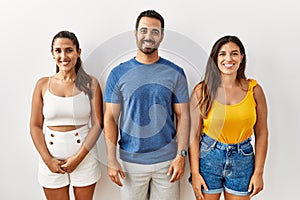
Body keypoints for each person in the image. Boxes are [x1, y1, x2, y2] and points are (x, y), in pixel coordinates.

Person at [104, 10, 190, 200]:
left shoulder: (175, 73)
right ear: (135, 34)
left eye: (155, 32)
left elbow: (183, 116)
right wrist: (111, 159)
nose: (148, 36)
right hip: (130, 163)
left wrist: (181, 154)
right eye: (144, 30)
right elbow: (110, 117)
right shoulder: (118, 73)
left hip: (168, 163)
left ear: (162, 36)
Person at [188, 35, 269, 200]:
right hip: (208, 158)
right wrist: (195, 173)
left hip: (243, 158)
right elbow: (193, 135)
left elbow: (262, 133)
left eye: (234, 53)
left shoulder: (255, 90)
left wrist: (258, 172)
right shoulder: (202, 91)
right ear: (215, 59)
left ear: (241, 57)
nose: (228, 59)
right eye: (222, 54)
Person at [29, 30, 103, 200]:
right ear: (52, 53)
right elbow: (35, 126)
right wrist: (48, 160)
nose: (63, 56)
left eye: (69, 50)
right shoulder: (42, 84)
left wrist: (78, 158)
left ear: (78, 52)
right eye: (58, 51)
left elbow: (98, 124)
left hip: (84, 158)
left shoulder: (91, 83)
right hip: (51, 158)